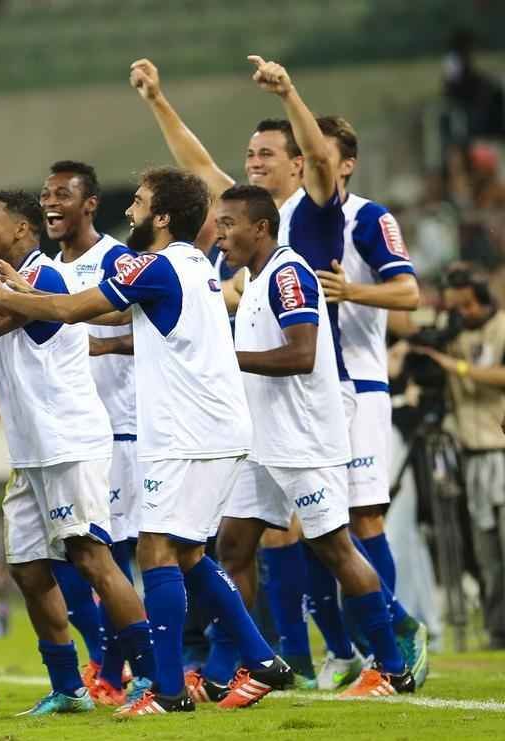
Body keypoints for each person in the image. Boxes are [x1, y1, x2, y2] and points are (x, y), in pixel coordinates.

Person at [130, 55, 425, 683]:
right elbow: (198, 170)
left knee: (338, 537)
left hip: (320, 405)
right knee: (236, 543)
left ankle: (390, 651)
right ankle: (244, 664)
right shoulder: (250, 237)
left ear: (299, 162)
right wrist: (158, 99)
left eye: (268, 151)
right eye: (249, 151)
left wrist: (288, 89)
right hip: (257, 423)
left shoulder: (315, 220)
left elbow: (323, 167)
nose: (253, 159)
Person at [0, 167, 292, 717]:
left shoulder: (159, 266)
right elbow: (107, 310)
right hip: (208, 427)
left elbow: (70, 310)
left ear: (161, 217)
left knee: (153, 550)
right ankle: (260, 659)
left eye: (138, 204)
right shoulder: (186, 267)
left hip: (191, 431)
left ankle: (163, 690)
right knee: (184, 552)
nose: (130, 213)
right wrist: (22, 290)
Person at [0, 190, 157, 717]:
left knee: (92, 558)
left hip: (69, 444)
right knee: (27, 569)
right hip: (30, 453)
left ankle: (153, 681)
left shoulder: (44, 278)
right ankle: (68, 687)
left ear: (23, 230)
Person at [211, 184, 416, 699]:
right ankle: (240, 665)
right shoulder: (254, 279)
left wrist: (227, 360)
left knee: (335, 549)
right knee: (232, 546)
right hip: (262, 443)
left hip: (303, 441)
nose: (219, 234)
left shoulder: (287, 273)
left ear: (260, 227)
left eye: (229, 224)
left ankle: (392, 667)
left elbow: (302, 354)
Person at [312, 116, 429, 688]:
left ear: (348, 163)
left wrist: (350, 290)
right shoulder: (295, 219)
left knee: (363, 518)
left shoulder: (368, 216)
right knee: (309, 525)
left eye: (322, 154)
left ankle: (395, 638)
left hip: (360, 382)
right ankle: (353, 646)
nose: (313, 162)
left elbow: (409, 292)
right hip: (311, 389)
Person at [39, 160, 142, 706]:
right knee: (62, 558)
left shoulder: (117, 260)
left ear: (90, 203)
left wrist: (95, 343)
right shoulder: (46, 267)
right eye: (46, 193)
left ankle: (120, 667)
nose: (51, 202)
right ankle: (107, 658)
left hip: (118, 427)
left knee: (110, 554)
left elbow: (148, 330)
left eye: (63, 193)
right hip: (65, 432)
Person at [414, 265, 505, 650]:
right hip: (468, 450)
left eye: (467, 305)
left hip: (500, 449)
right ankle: (497, 631)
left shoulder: (501, 326)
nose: (462, 313)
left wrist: (461, 368)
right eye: (456, 307)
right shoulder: (452, 334)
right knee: (485, 551)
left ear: (482, 298)